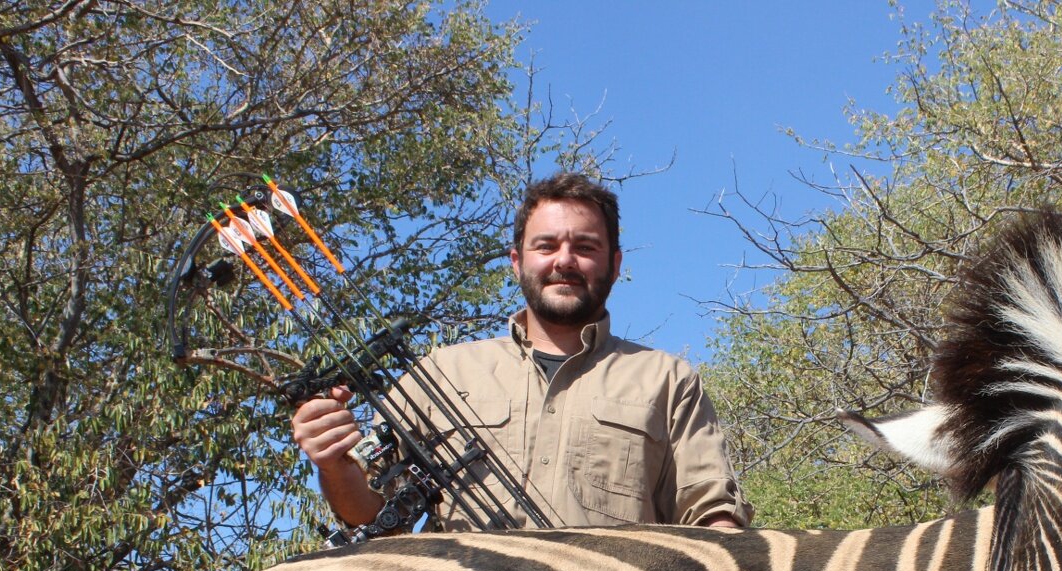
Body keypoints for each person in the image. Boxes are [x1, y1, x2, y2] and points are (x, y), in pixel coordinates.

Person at [291, 172, 751, 531]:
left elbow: (713, 518)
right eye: (546, 245)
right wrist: (333, 464)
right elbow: (371, 516)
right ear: (518, 262)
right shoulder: (442, 371)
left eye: (585, 247)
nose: (564, 261)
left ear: (615, 266)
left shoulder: (667, 381)